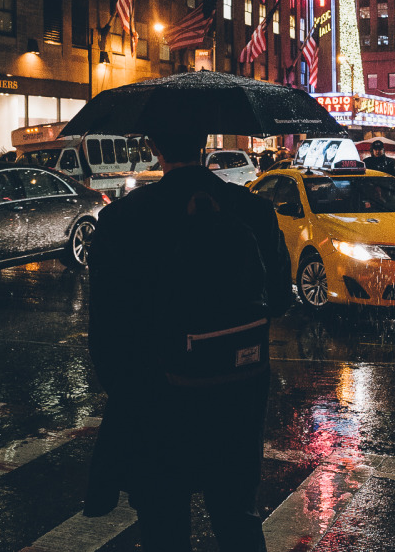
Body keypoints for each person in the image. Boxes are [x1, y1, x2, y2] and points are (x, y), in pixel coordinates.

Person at [85, 128, 293, 551]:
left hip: (156, 401)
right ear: (202, 144)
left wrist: (130, 395)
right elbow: (279, 301)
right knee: (238, 518)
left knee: (163, 525)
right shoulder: (253, 210)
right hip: (238, 397)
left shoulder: (124, 219)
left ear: (154, 145)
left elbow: (106, 331)